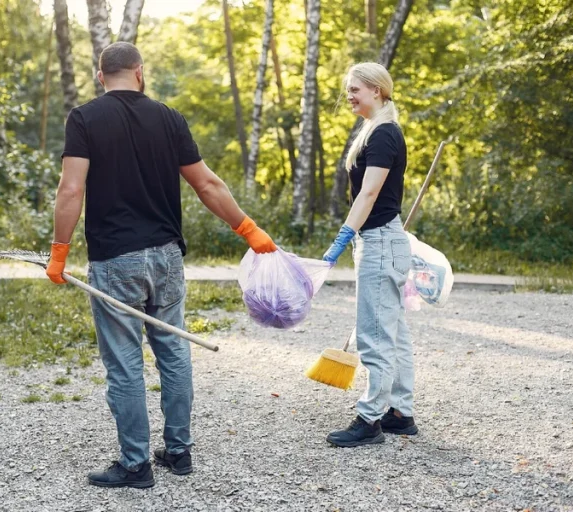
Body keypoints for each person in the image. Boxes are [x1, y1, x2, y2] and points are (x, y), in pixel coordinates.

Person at [46, 42, 277, 487]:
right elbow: (207, 184)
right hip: (168, 256)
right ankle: (178, 452)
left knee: (125, 363)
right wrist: (247, 228)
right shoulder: (169, 118)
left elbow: (70, 191)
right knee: (173, 352)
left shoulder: (85, 118)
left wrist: (60, 250)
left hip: (116, 259)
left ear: (101, 77)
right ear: (139, 72)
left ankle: (135, 466)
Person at [322, 62, 418, 448]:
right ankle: (400, 411)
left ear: (377, 91)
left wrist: (342, 237)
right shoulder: (377, 131)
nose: (349, 95)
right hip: (384, 240)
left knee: (374, 335)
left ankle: (370, 418)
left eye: (355, 89)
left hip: (379, 241)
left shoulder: (382, 135)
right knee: (394, 332)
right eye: (348, 89)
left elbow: (369, 192)